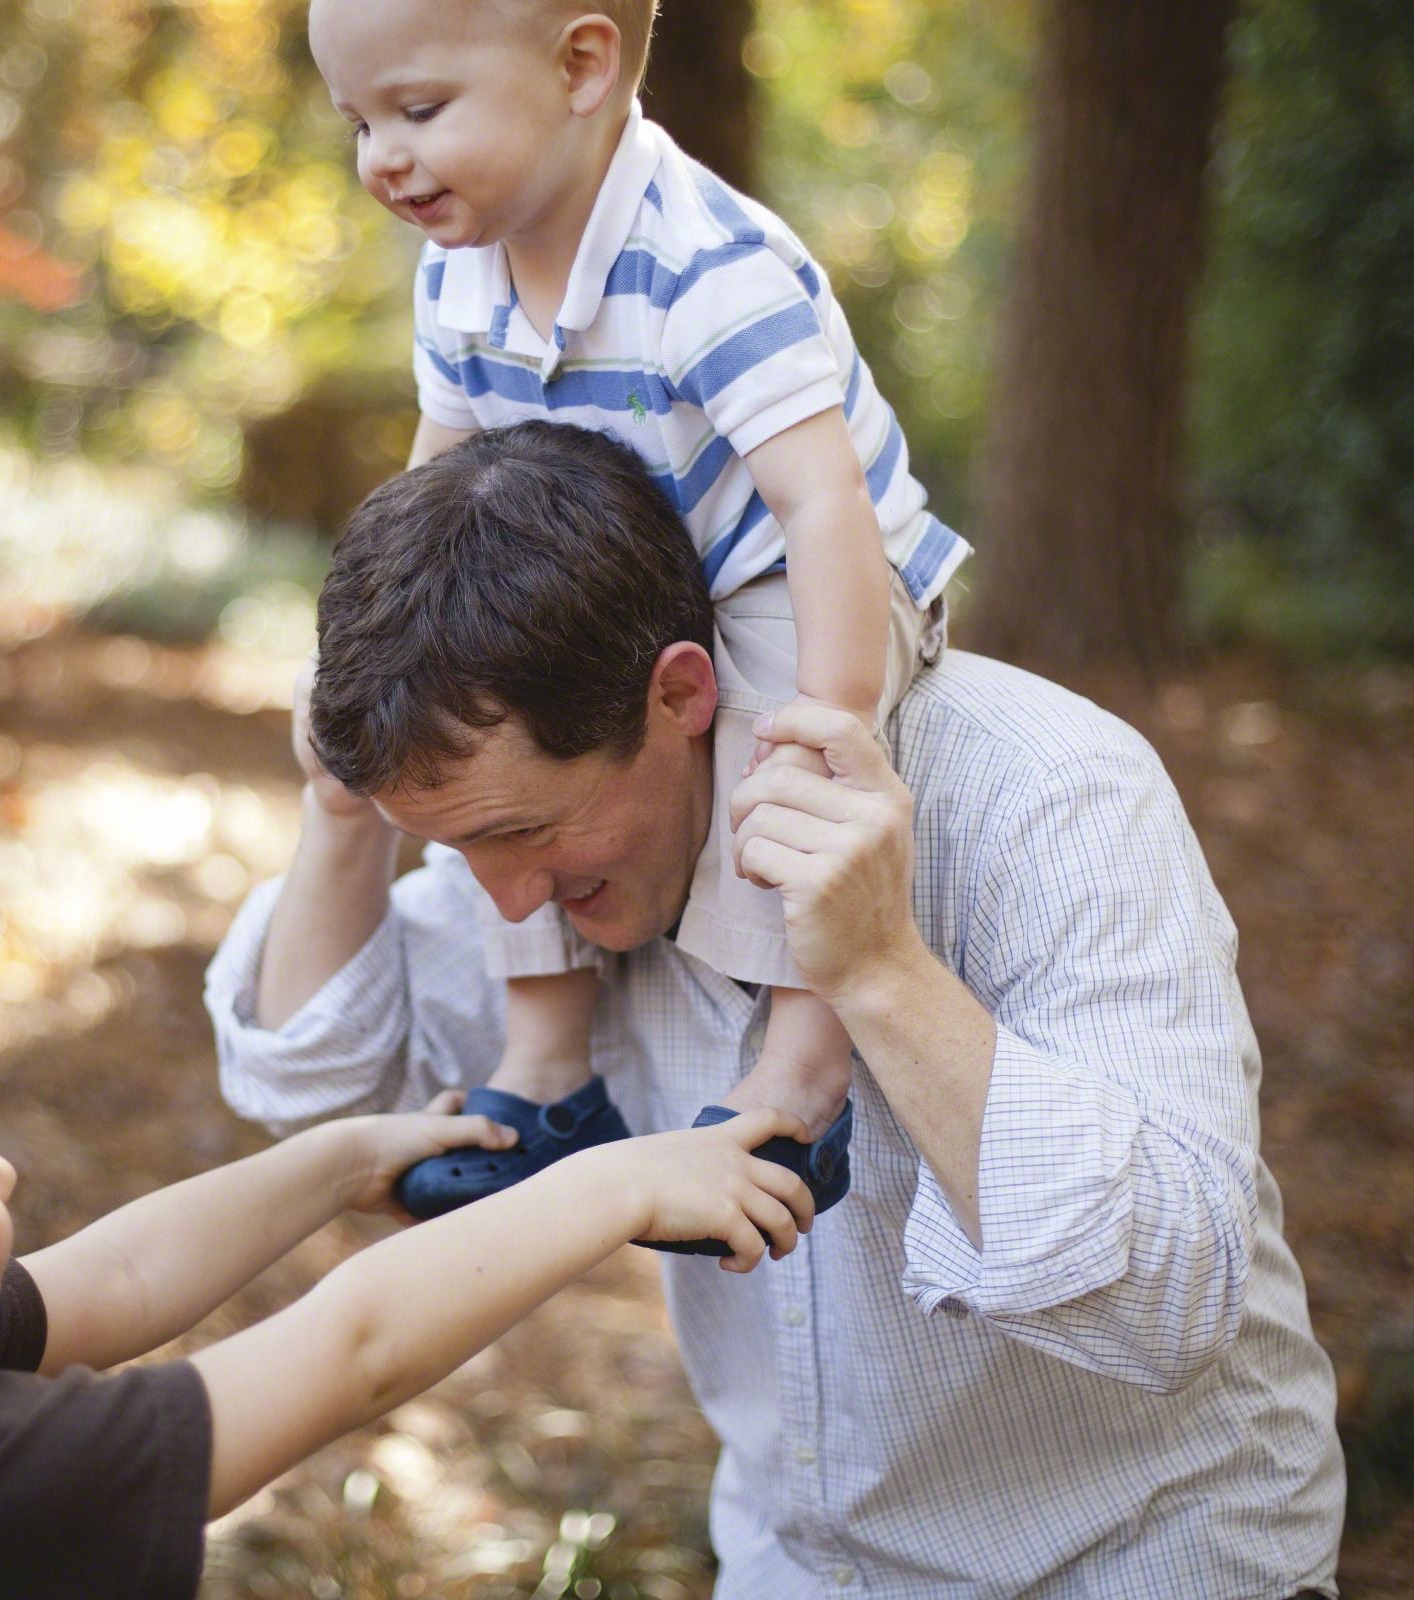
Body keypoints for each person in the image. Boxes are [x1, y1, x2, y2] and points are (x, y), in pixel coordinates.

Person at [211, 424, 1347, 1596]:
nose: (503, 900)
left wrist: (883, 971)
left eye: (524, 833)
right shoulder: (536, 868)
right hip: (797, 1565)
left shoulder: (1046, 795)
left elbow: (1169, 1307)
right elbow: (312, 1097)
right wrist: (343, 821)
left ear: (681, 693)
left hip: (1140, 1558)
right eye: (449, 846)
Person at [0, 945, 818, 1600]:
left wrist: (336, 1161)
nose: (10, 1185)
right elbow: (352, 1351)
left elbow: (124, 1275)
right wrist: (613, 1185)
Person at [307, 0, 975, 1225]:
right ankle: (550, 1069)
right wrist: (396, 623)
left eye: (416, 111)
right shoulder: (457, 274)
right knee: (480, 736)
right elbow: (443, 467)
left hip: (793, 564)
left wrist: (828, 721)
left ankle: (801, 1065)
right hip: (619, 586)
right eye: (358, 122)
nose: (380, 158)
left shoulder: (708, 266)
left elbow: (822, 504)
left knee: (783, 767)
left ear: (581, 64)